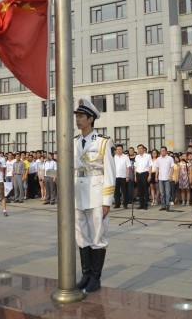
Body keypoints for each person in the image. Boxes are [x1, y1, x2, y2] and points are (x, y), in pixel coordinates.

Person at [74, 98, 115, 293]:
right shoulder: (74, 142)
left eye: (81, 116)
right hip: (78, 195)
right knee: (82, 236)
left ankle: (95, 278)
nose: (77, 119)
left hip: (97, 194)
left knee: (98, 236)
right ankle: (86, 274)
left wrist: (107, 201)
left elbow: (110, 173)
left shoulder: (103, 142)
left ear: (91, 119)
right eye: (77, 115)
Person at [154, 146, 174, 212]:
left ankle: (167, 205)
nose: (162, 152)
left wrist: (171, 176)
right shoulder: (158, 159)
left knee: (167, 193)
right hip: (160, 178)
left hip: (167, 178)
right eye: (161, 151)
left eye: (163, 151)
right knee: (162, 193)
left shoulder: (170, 158)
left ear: (166, 151)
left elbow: (172, 167)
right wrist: (156, 176)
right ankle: (163, 205)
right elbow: (157, 168)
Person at [113, 144, 130, 209]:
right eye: (117, 149)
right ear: (116, 150)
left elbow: (128, 167)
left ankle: (125, 204)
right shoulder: (114, 157)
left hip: (123, 176)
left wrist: (127, 176)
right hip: (116, 176)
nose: (119, 150)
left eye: (120, 149)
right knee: (116, 191)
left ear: (122, 150)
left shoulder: (126, 157)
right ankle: (117, 204)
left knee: (124, 191)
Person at [134, 144, 151, 210]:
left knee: (145, 189)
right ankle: (141, 204)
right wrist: (135, 176)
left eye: (141, 148)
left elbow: (150, 166)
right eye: (138, 149)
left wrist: (149, 175)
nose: (140, 150)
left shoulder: (148, 156)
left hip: (145, 174)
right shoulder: (137, 157)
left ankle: (145, 204)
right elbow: (135, 166)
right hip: (138, 174)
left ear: (143, 149)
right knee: (140, 190)